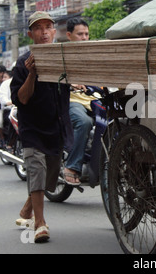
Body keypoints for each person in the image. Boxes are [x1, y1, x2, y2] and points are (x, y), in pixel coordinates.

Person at [11, 11, 73, 243]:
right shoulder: (23, 63)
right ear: (31, 34)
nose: (44, 31)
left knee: (50, 176)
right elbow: (22, 98)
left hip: (56, 125)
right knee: (36, 169)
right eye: (38, 28)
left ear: (54, 31)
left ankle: (29, 205)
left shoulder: (63, 57)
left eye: (48, 27)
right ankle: (40, 223)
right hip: (32, 128)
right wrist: (32, 74)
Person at [63, 17, 94, 186]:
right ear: (69, 35)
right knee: (83, 122)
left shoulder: (94, 54)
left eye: (86, 34)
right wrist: (70, 83)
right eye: (80, 34)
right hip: (72, 101)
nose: (84, 37)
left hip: (95, 100)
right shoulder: (63, 55)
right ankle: (72, 166)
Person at [0, 70, 13, 148]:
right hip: (8, 109)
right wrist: (8, 102)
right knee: (8, 121)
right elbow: (2, 97)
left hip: (20, 109)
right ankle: (8, 143)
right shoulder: (6, 84)